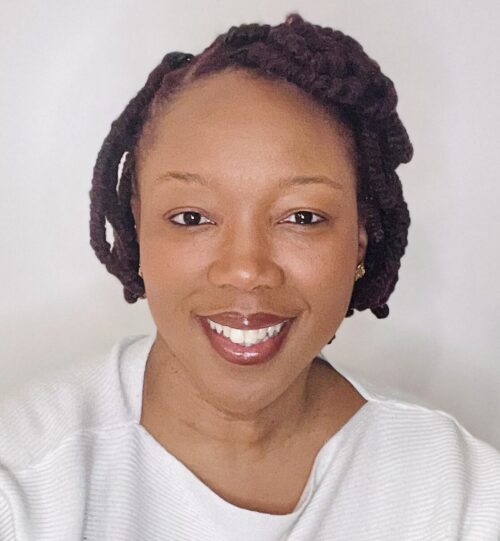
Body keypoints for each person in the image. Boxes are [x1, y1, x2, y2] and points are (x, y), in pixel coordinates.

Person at [1, 12, 499, 541]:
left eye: (301, 217)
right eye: (191, 217)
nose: (246, 269)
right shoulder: (21, 486)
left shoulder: (461, 501)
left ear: (360, 239)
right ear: (136, 230)